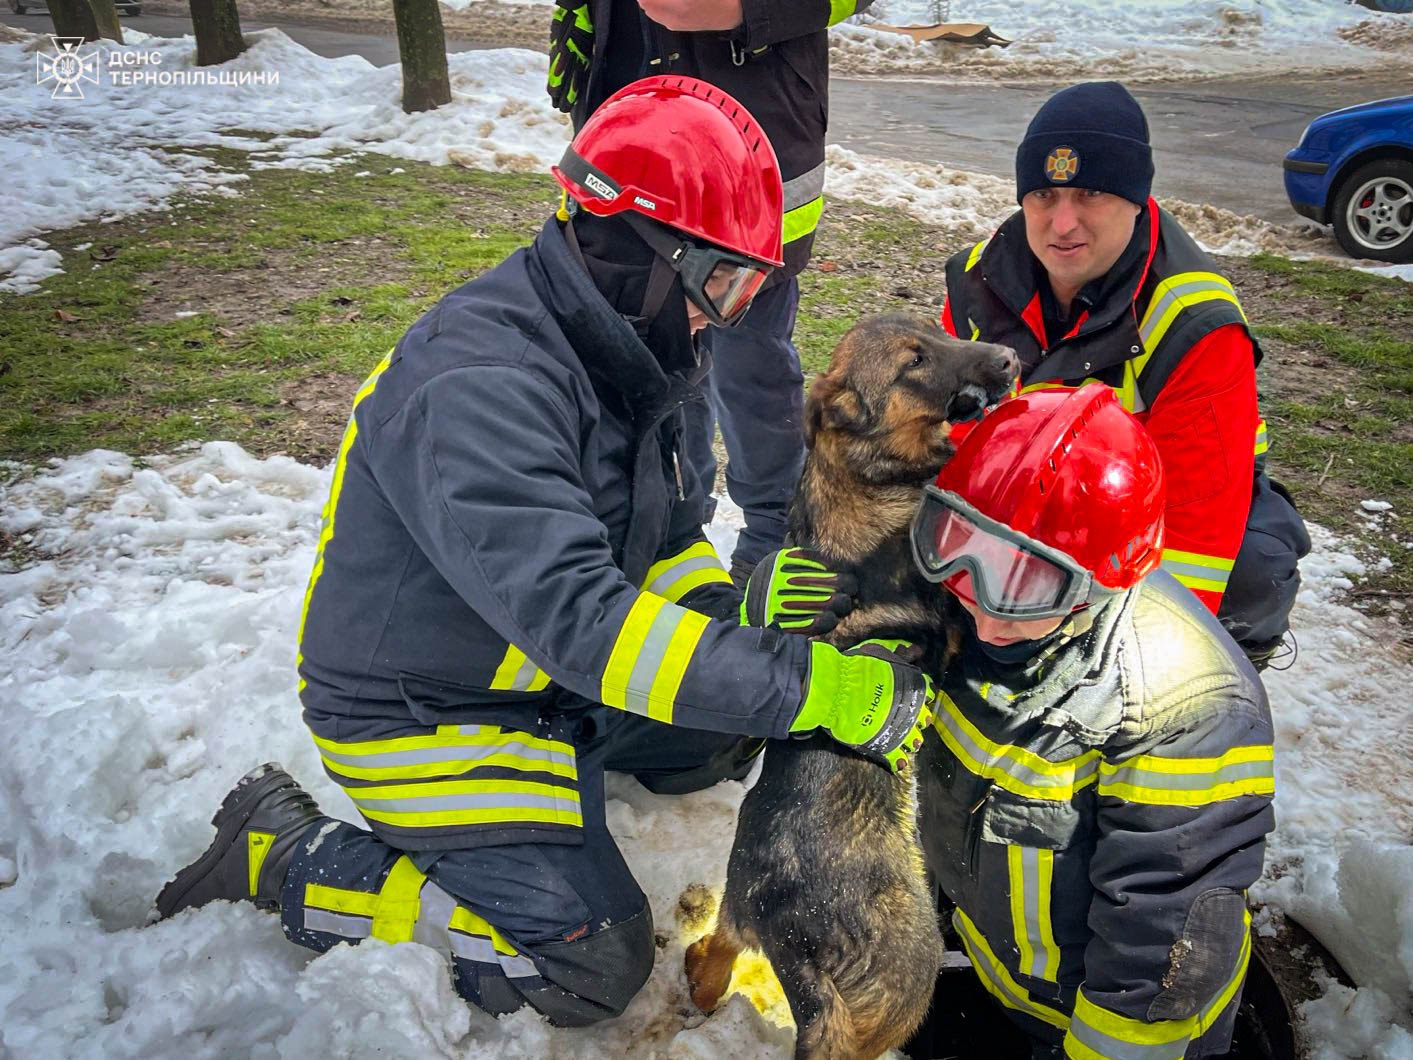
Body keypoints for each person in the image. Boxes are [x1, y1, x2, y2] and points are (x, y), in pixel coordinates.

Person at [153, 77, 930, 1027]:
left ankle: (553, 796)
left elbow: (662, 542)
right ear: (646, 253)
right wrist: (801, 682)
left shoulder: (625, 347)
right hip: (427, 710)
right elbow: (582, 623)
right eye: (721, 282)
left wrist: (737, 623)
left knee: (723, 729)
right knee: (583, 966)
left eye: (748, 288)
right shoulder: (481, 385)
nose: (722, 317)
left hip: (533, 676)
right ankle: (283, 857)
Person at [904, 384, 1276, 1059]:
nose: (985, 612)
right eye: (962, 552)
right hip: (1007, 983)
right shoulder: (956, 614)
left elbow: (1157, 952)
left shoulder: (1183, 707)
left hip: (1107, 1026)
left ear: (1106, 578)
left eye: (1029, 587)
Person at [939, 80, 1310, 668]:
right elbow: (948, 439)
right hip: (1021, 487)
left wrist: (1132, 663)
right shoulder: (974, 279)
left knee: (1253, 570)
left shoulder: (1198, 324)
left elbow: (1195, 533)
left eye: (1090, 194)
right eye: (1042, 194)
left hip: (1141, 507)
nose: (1063, 223)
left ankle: (1230, 667)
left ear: (1137, 198)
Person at [547, 0, 875, 584]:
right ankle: (669, 523)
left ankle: (774, 539)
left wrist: (750, 8)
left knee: (752, 362)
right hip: (629, 126)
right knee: (648, 351)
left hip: (752, 135)